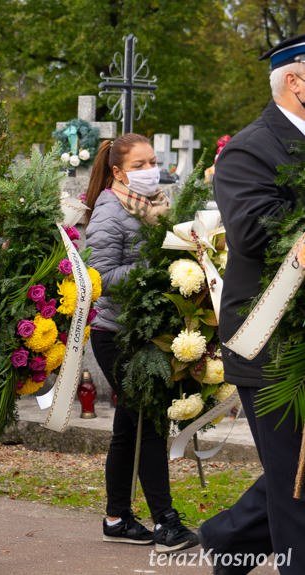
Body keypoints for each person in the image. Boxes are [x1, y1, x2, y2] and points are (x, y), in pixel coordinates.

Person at [198, 35, 305, 574]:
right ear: (296, 80)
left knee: (294, 475)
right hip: (274, 345)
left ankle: (228, 539)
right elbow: (253, 231)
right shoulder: (250, 147)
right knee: (298, 486)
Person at [84, 134, 199, 553]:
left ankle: (116, 518)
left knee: (128, 428)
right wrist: (157, 268)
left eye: (153, 160)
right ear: (118, 172)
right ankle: (166, 523)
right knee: (148, 423)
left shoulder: (154, 207)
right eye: (140, 163)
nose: (151, 169)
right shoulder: (108, 212)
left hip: (145, 332)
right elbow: (99, 278)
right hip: (116, 335)